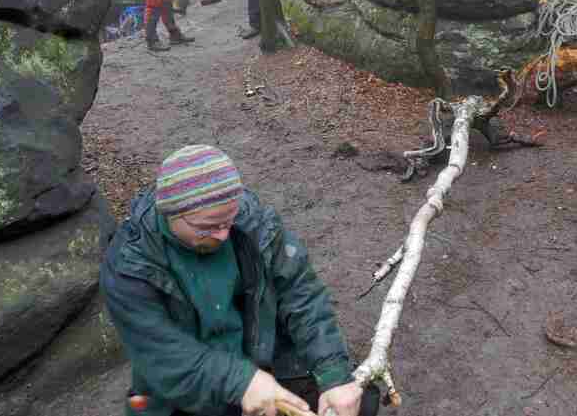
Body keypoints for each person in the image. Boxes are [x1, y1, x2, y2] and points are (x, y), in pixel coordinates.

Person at [101, 145, 380, 416]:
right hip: (188, 388)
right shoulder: (130, 265)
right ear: (170, 213)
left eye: (227, 221)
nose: (223, 235)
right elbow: (162, 354)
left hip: (264, 360)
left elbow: (301, 294)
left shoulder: (253, 222)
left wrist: (333, 373)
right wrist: (241, 381)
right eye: (207, 227)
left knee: (358, 403)